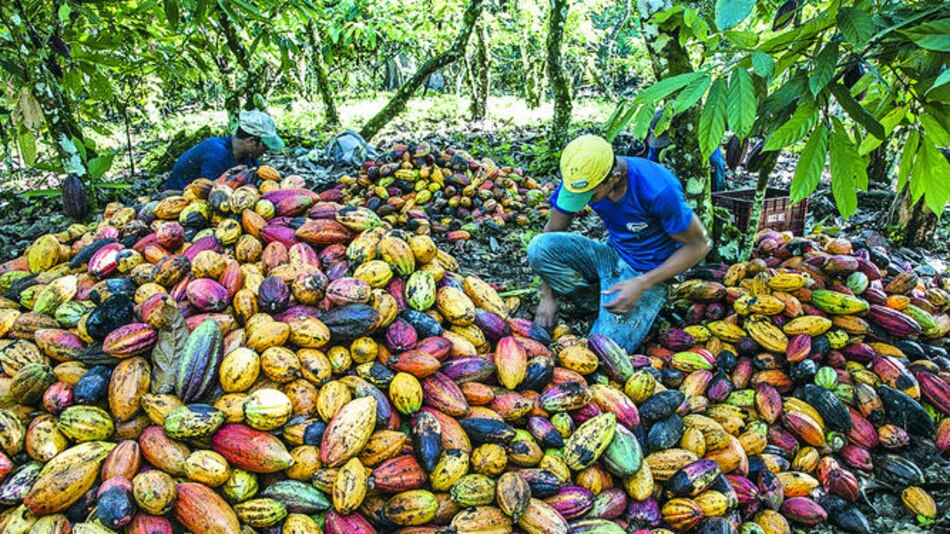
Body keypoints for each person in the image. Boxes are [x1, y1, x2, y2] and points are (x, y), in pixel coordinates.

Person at [528, 134, 711, 353]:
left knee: (605, 352)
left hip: (649, 273)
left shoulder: (658, 188)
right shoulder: (582, 176)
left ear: (614, 178)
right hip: (612, 256)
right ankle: (599, 299)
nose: (583, 201)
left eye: (590, 194)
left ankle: (635, 304)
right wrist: (547, 297)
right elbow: (552, 233)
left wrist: (642, 283)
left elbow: (700, 245)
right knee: (539, 247)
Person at [163, 110, 285, 191]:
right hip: (178, 198)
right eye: (265, 146)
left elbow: (259, 177)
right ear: (252, 141)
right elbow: (211, 192)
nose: (266, 151)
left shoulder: (248, 157)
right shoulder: (217, 153)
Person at [645, 111, 728, 192]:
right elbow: (651, 163)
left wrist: (717, 193)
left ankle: (716, 192)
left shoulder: (696, 130)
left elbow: (717, 163)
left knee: (715, 162)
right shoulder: (657, 131)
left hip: (698, 152)